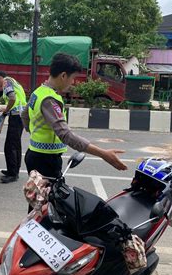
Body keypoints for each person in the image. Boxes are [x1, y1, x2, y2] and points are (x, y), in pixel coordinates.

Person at [21, 53, 128, 186]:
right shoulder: (49, 100)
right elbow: (66, 135)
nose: (73, 82)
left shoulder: (39, 92)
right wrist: (103, 154)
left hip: (34, 154)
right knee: (46, 203)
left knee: (38, 202)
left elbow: (24, 115)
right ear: (63, 75)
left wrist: (35, 133)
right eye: (73, 78)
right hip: (46, 160)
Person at [0, 71, 27, 183]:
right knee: (16, 145)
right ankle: (14, 170)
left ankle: (12, 174)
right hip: (21, 116)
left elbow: (12, 98)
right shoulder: (14, 82)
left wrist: (6, 110)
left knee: (10, 146)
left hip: (16, 117)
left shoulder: (6, 82)